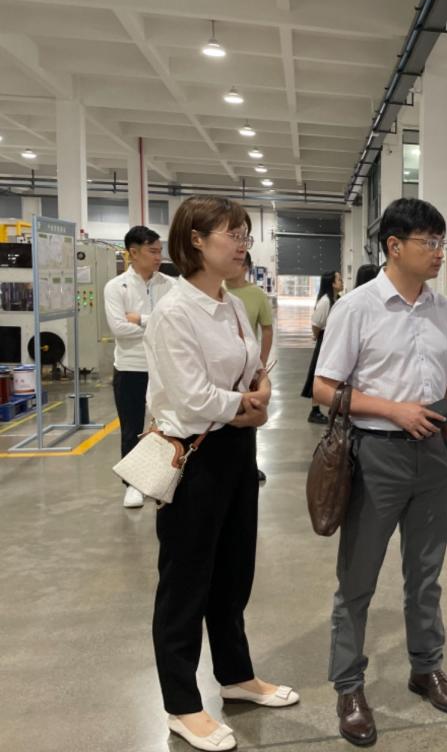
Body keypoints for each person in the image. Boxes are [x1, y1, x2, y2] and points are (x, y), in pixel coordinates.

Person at [313, 198, 447, 747]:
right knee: (358, 579)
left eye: (442, 243)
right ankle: (349, 685)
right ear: (394, 246)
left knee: (425, 574)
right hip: (375, 456)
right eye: (430, 242)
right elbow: (324, 388)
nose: (439, 253)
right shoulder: (356, 307)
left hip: (433, 457)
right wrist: (393, 410)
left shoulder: (442, 309)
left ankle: (426, 668)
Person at [145, 196, 298, 752]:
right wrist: (245, 406)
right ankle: (182, 704)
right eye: (232, 235)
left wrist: (261, 390)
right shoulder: (175, 311)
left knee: (233, 571)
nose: (242, 245)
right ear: (196, 241)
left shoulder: (232, 303)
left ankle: (235, 676)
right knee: (186, 581)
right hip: (194, 454)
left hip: (237, 448)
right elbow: (190, 397)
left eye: (245, 235)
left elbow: (253, 368)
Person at [104, 225, 174, 508]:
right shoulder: (115, 287)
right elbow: (119, 329)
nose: (159, 257)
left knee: (168, 425)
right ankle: (133, 485)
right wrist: (156, 324)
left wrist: (141, 319)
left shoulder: (170, 285)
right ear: (133, 252)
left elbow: (174, 325)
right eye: (153, 251)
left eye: (160, 251)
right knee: (131, 428)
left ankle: (165, 477)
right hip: (130, 368)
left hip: (164, 367)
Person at [225, 249, 273, 484]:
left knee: (249, 415)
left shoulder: (256, 295)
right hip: (222, 368)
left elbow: (266, 329)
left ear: (246, 267)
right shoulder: (217, 290)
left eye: (238, 260)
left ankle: (249, 466)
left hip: (247, 367)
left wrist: (260, 364)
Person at [302, 271, 342, 424]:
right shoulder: (325, 301)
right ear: (332, 283)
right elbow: (316, 324)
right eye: (339, 279)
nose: (342, 282)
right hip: (325, 339)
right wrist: (317, 336)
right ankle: (315, 411)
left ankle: (335, 408)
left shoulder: (338, 299)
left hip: (334, 340)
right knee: (318, 374)